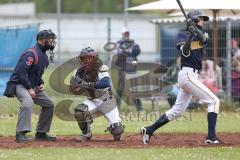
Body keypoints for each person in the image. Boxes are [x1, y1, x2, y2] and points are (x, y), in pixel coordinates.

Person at [140, 10, 222, 144]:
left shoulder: (204, 34)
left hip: (193, 76)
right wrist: (189, 35)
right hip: (187, 75)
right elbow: (184, 52)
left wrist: (194, 29)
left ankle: (149, 129)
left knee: (177, 111)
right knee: (214, 101)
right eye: (201, 19)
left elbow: (203, 39)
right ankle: (211, 137)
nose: (204, 22)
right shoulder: (181, 35)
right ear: (194, 20)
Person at [8, 29, 57, 142]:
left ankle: (41, 133)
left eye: (52, 39)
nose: (51, 41)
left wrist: (41, 83)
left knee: (49, 104)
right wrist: (30, 88)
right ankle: (20, 134)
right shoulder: (32, 53)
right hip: (20, 84)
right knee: (27, 102)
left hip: (31, 85)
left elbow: (35, 74)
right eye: (49, 39)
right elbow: (21, 72)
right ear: (41, 40)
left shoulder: (44, 57)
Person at [69, 47, 124, 142]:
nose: (86, 60)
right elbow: (76, 90)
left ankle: (115, 126)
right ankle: (86, 134)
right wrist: (76, 88)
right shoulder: (80, 71)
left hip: (107, 101)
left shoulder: (101, 68)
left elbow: (105, 83)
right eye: (83, 58)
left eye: (89, 58)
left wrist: (87, 84)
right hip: (92, 100)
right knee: (80, 111)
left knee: (117, 131)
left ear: (94, 58)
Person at [115, 27, 142, 111]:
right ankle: (116, 107)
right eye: (125, 33)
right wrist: (127, 51)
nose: (126, 35)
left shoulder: (133, 43)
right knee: (120, 89)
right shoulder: (118, 43)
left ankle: (139, 108)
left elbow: (137, 51)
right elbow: (118, 54)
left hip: (132, 69)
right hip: (122, 69)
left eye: (127, 33)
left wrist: (127, 51)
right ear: (122, 34)